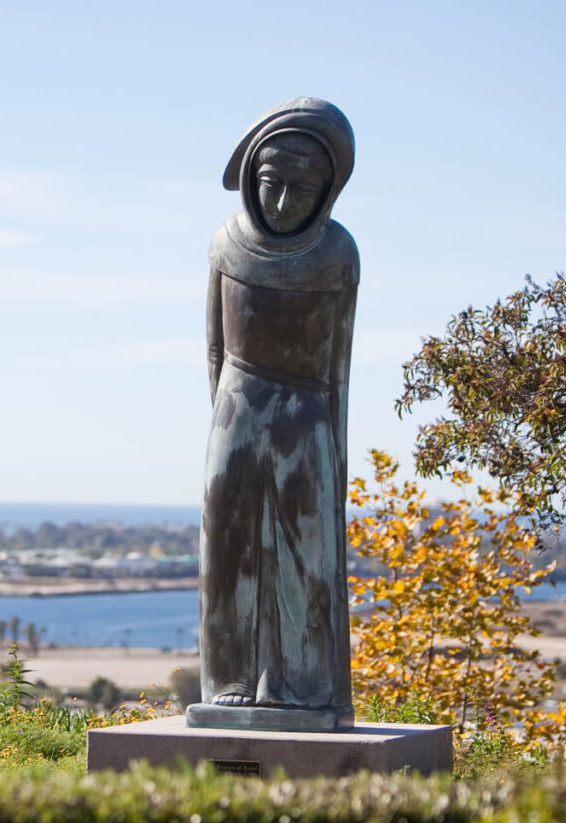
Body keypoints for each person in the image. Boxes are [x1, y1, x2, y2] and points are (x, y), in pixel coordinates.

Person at [198, 98, 359, 721]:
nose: (286, 201)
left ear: (328, 192)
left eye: (303, 188)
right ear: (250, 180)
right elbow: (214, 347)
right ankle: (230, 676)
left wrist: (334, 446)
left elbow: (338, 362)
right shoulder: (223, 245)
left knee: (303, 551)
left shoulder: (337, 253)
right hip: (236, 408)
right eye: (272, 184)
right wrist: (227, 419)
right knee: (228, 544)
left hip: (307, 413)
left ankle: (299, 684)